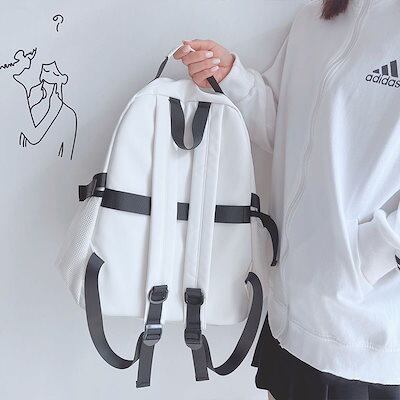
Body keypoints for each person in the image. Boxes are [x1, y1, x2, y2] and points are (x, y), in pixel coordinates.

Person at [174, 0, 400, 399]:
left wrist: (370, 254)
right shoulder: (316, 20)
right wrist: (232, 78)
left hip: (364, 335)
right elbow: (286, 130)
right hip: (291, 315)